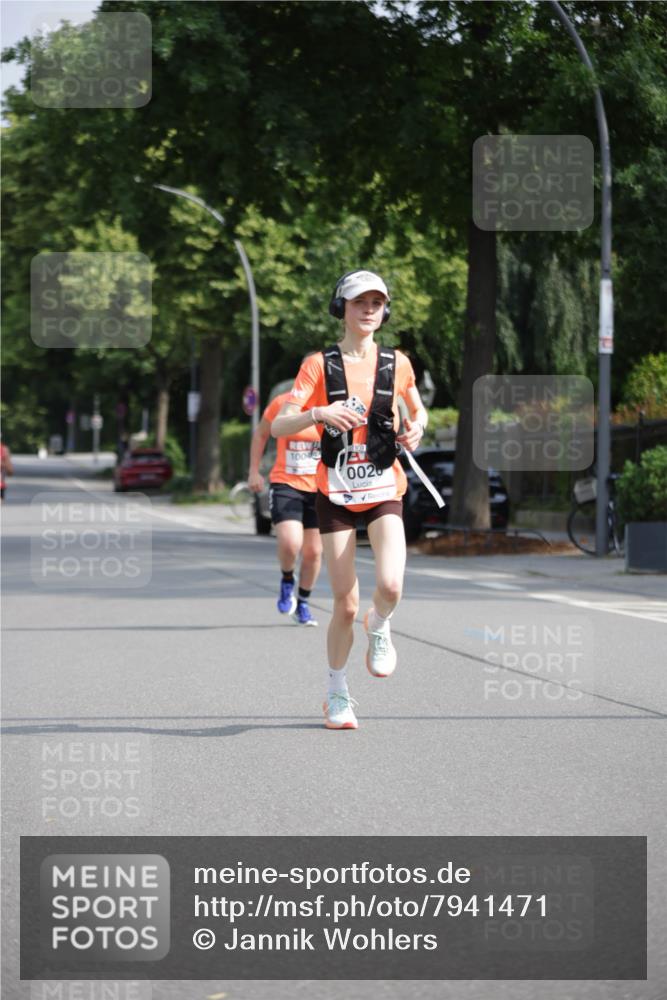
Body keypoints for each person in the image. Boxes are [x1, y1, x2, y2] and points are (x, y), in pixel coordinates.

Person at [271, 270, 428, 729]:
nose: (369, 310)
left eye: (377, 303)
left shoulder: (397, 363)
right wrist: (317, 412)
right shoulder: (319, 365)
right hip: (335, 493)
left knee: (392, 585)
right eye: (360, 302)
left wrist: (417, 426)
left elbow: (417, 408)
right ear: (341, 307)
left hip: (383, 488)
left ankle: (380, 625)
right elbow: (282, 423)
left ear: (385, 311)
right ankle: (336, 693)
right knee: (345, 604)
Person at [248, 384, 323, 626]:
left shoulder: (332, 406)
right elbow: (261, 434)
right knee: (291, 543)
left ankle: (302, 603)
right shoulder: (283, 403)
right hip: (286, 483)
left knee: (313, 552)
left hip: (320, 487)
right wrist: (254, 472)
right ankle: (287, 579)